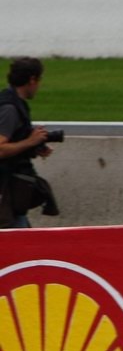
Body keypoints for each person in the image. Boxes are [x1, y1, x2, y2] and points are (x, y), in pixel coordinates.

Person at [0, 57, 55, 229]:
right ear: (32, 79)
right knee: (18, 239)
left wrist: (34, 146)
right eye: (39, 80)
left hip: (12, 194)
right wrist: (30, 141)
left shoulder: (12, 103)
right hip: (6, 190)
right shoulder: (9, 109)